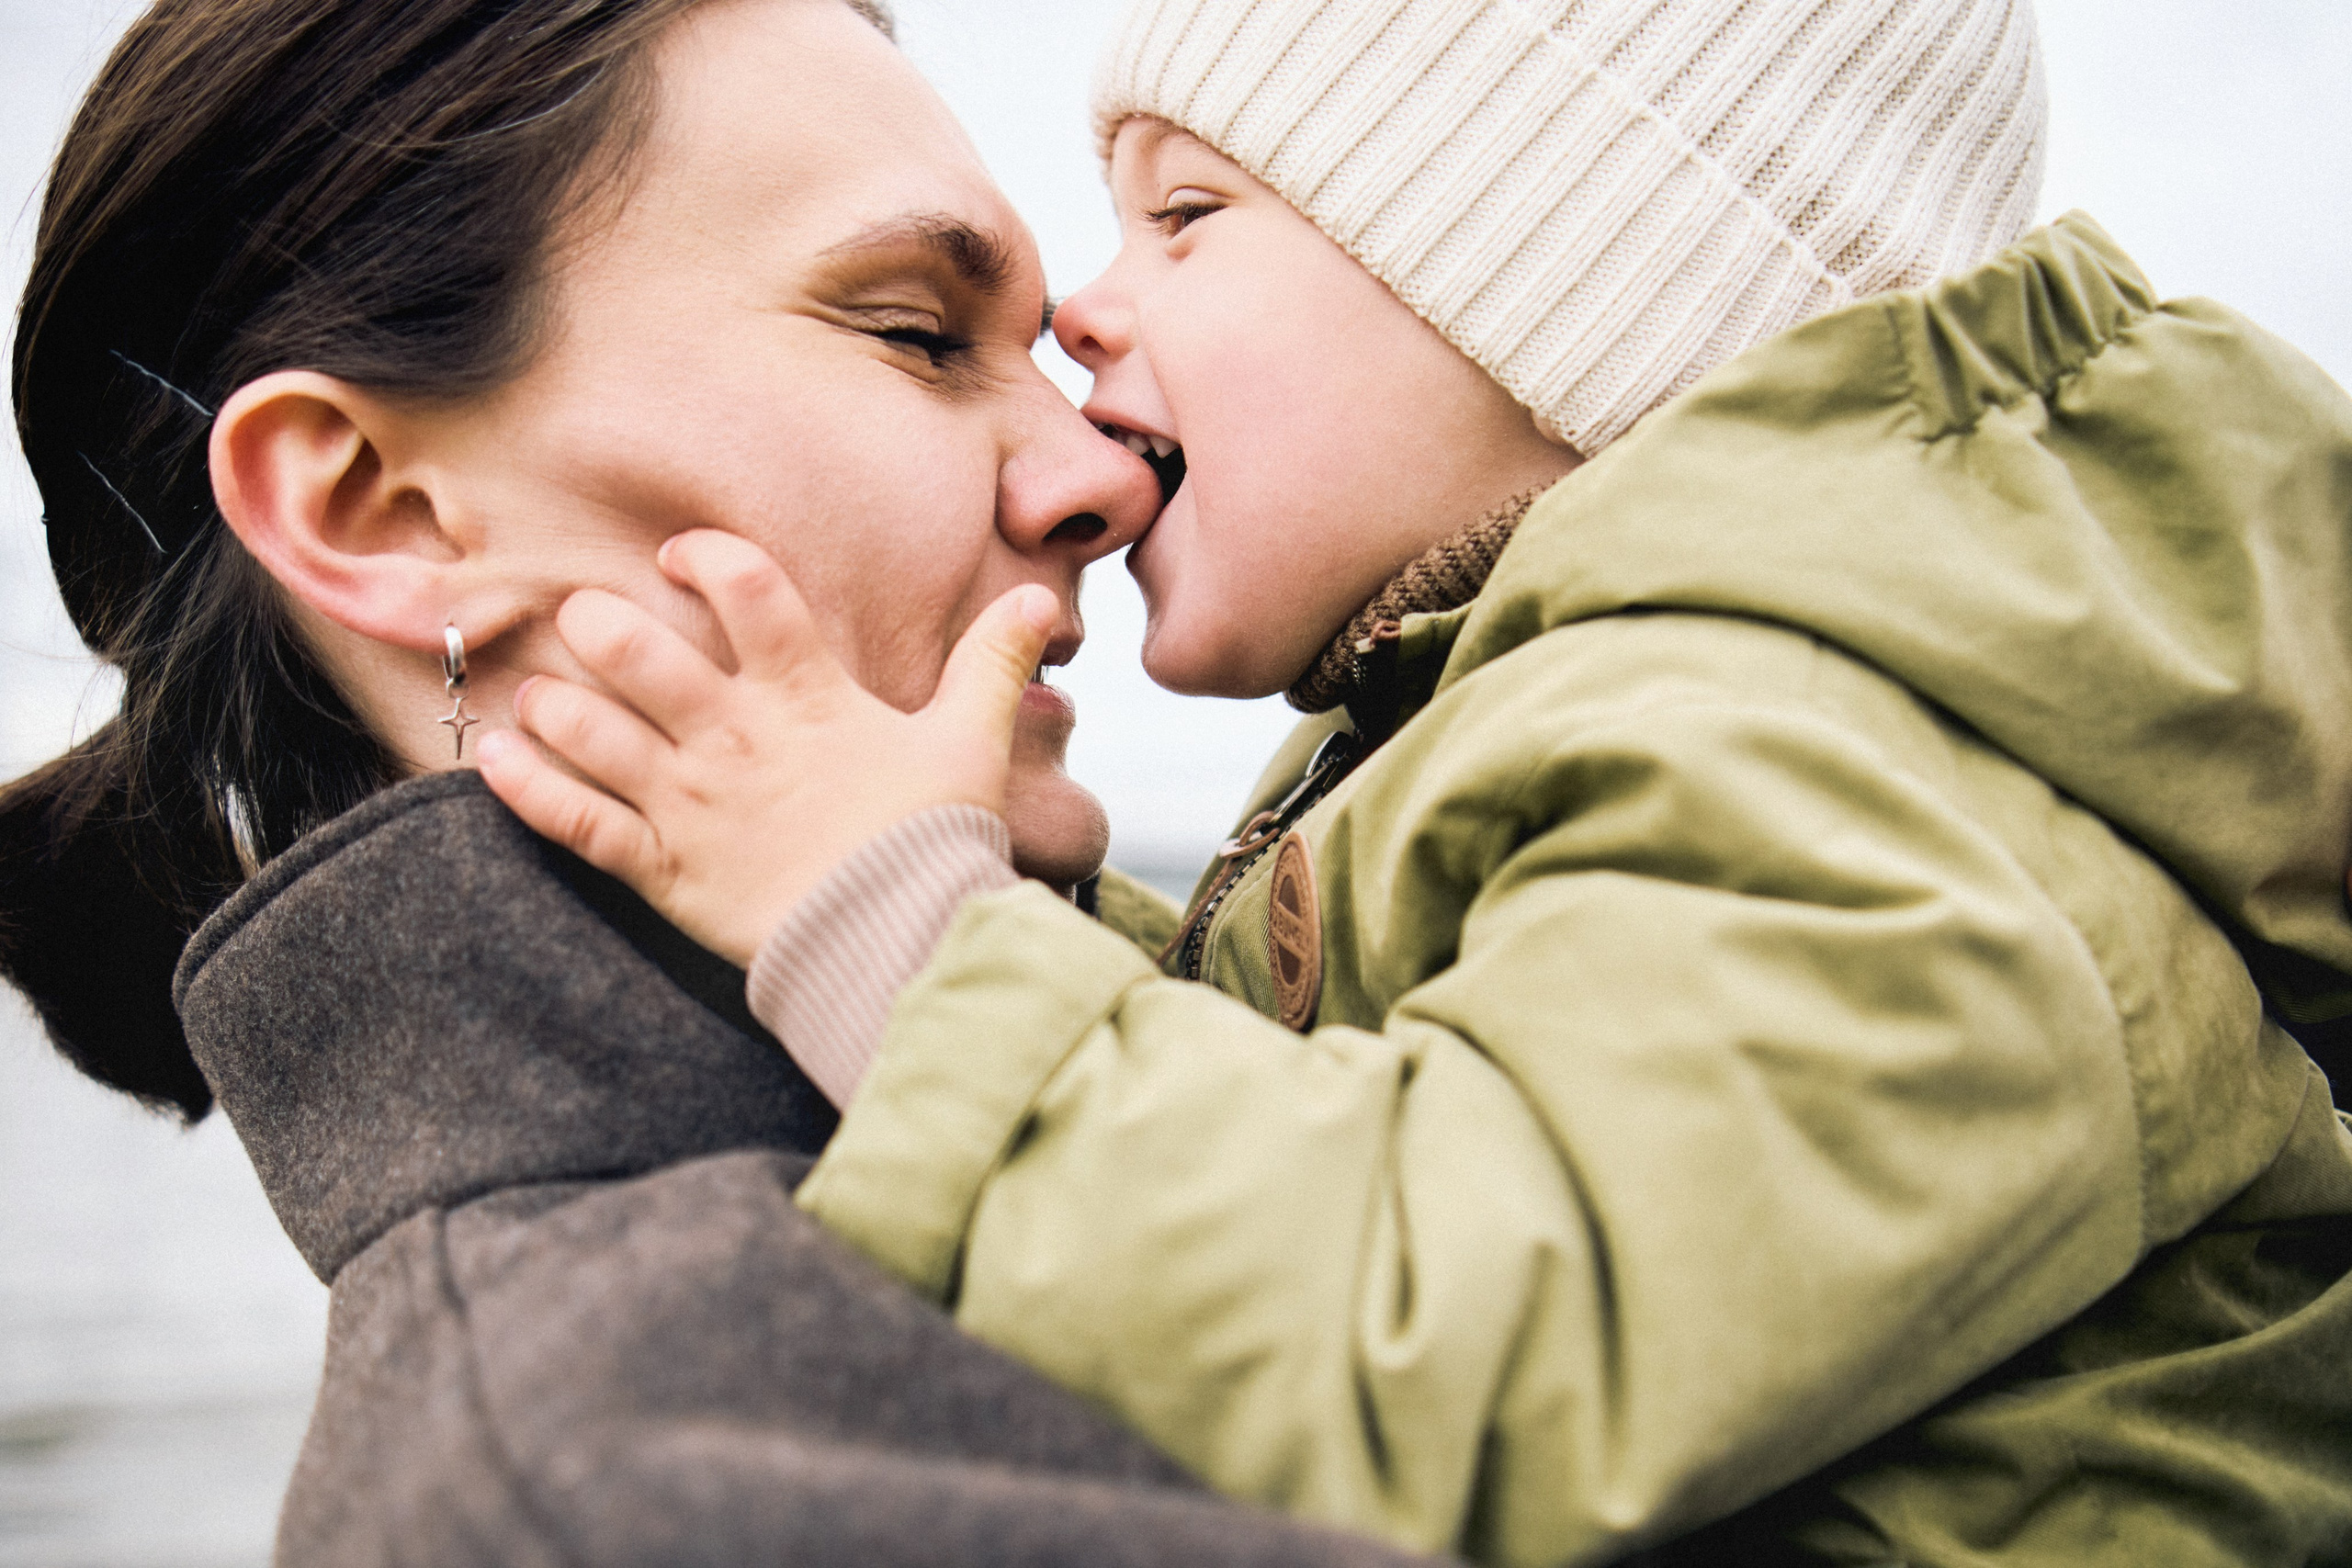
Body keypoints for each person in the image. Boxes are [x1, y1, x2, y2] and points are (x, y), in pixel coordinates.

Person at [486, 0, 2352, 1562]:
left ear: (1563, 279)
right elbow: (1353, 1106)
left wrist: (886, 908)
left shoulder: (1840, 774)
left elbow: (1445, 1350)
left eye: (1187, 214)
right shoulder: (1550, 721)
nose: (1080, 311)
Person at [0, 0, 1456, 1562]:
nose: (1105, 472)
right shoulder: (650, 1486)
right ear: (383, 513)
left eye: (1037, 356)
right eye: (914, 332)